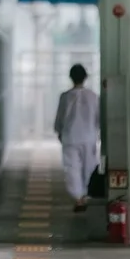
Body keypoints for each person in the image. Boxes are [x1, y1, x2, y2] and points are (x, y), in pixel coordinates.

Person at [53, 64, 100, 213]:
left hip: (70, 137)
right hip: (89, 137)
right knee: (89, 167)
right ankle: (86, 196)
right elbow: (98, 119)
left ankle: (78, 198)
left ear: (70, 77)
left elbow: (60, 119)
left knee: (72, 168)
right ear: (85, 77)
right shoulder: (93, 96)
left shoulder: (65, 97)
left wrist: (59, 132)